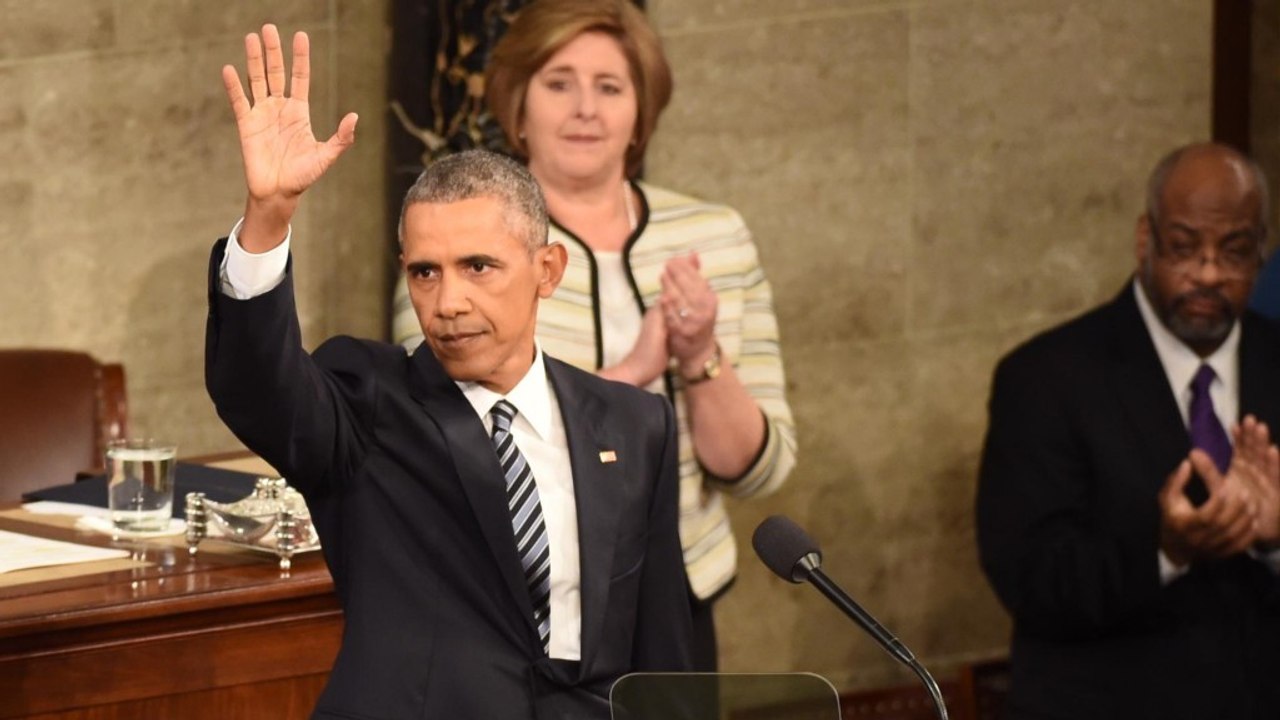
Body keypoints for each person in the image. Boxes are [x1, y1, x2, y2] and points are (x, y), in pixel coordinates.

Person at [206, 25, 691, 719]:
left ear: (545, 271)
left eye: (479, 267)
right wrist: (268, 218)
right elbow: (259, 390)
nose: (448, 301)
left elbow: (662, 651)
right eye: (424, 272)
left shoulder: (636, 424)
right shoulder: (369, 405)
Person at [392, 0, 797, 670]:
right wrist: (633, 375)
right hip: (520, 609)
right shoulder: (459, 239)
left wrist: (700, 357)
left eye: (610, 87)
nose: (586, 108)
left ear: (641, 112)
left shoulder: (715, 235)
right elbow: (452, 441)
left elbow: (759, 468)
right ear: (518, 108)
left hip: (680, 597)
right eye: (559, 84)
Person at [976, 142, 1280, 720]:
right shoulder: (1045, 380)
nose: (1209, 273)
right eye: (1185, 247)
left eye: (1234, 251)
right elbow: (1032, 581)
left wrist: (1276, 539)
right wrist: (1166, 549)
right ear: (1146, 240)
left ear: (1261, 254)